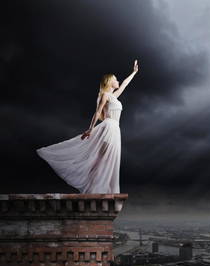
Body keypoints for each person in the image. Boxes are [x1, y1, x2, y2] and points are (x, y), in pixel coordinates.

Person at [36, 59, 139, 193]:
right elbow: (97, 113)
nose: (118, 81)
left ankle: (102, 188)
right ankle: (96, 188)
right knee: (104, 157)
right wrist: (90, 129)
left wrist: (134, 72)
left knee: (109, 158)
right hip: (108, 127)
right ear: (109, 82)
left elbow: (124, 84)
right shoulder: (106, 96)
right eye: (115, 79)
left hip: (115, 129)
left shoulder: (114, 97)